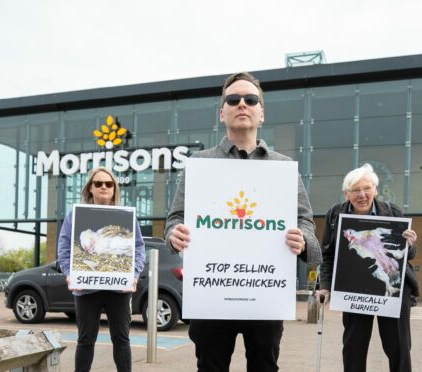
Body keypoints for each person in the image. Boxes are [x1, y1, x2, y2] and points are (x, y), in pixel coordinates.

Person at [164, 72, 321, 372]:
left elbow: (306, 221)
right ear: (222, 112)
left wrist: (303, 240)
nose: (242, 105)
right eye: (233, 100)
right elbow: (174, 219)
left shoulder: (284, 168)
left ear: (261, 112)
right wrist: (174, 234)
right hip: (212, 296)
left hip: (265, 296)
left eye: (251, 100)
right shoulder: (199, 165)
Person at [316, 163, 419, 372]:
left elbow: (409, 256)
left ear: (375, 190)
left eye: (367, 188)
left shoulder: (393, 211)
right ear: (346, 194)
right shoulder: (335, 215)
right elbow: (328, 254)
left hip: (392, 290)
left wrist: (411, 243)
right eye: (355, 190)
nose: (362, 195)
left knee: (398, 346)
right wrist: (326, 285)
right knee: (354, 346)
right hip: (354, 289)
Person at [57, 167, 145, 372]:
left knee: (121, 340)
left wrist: (133, 275)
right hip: (86, 289)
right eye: (98, 183)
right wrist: (69, 273)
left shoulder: (126, 217)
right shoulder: (75, 215)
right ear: (90, 189)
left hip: (119, 289)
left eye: (109, 183)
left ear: (114, 189)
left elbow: (138, 247)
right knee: (85, 340)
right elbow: (64, 245)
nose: (104, 187)